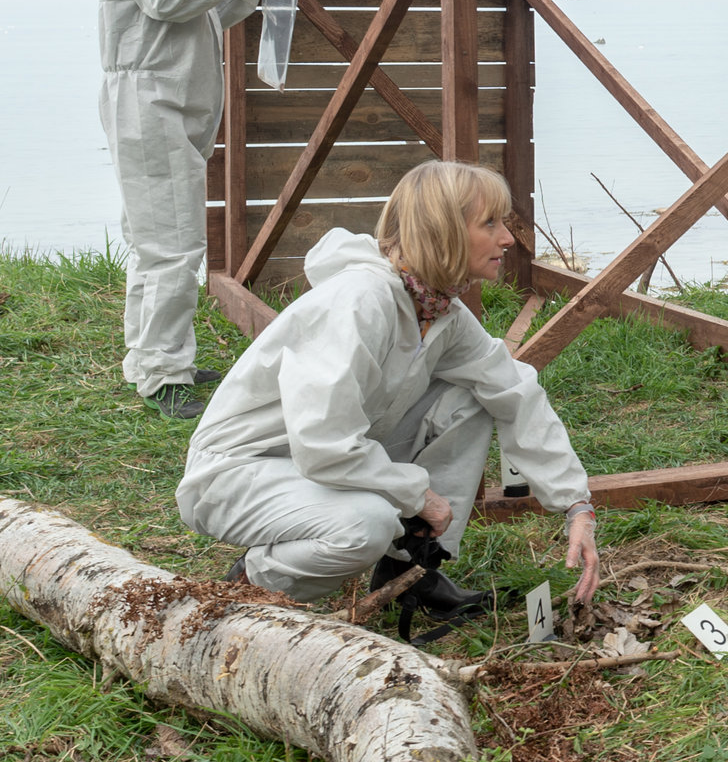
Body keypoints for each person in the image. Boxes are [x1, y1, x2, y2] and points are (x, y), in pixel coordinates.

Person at [176, 161, 601, 616]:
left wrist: (576, 505)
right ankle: (248, 589)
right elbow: (323, 443)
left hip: (319, 461)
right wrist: (418, 496)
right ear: (443, 230)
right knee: (366, 526)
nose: (507, 239)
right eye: (490, 223)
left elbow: (515, 392)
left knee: (471, 397)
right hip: (240, 471)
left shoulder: (438, 309)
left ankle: (410, 568)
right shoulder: (358, 301)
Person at [99, 0, 276, 418]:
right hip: (151, 104)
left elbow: (195, 15)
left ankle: (149, 361)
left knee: (156, 242)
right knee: (174, 244)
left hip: (165, 103)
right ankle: (164, 376)